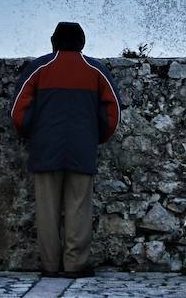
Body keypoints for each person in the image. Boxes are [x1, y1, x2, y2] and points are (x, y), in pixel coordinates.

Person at [10, 21, 121, 278]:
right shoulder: (96, 70)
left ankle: (50, 265)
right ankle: (74, 265)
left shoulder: (38, 68)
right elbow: (113, 113)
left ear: (54, 40)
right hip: (82, 148)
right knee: (79, 207)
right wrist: (96, 136)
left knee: (47, 209)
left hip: (45, 148)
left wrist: (32, 134)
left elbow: (18, 112)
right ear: (82, 41)